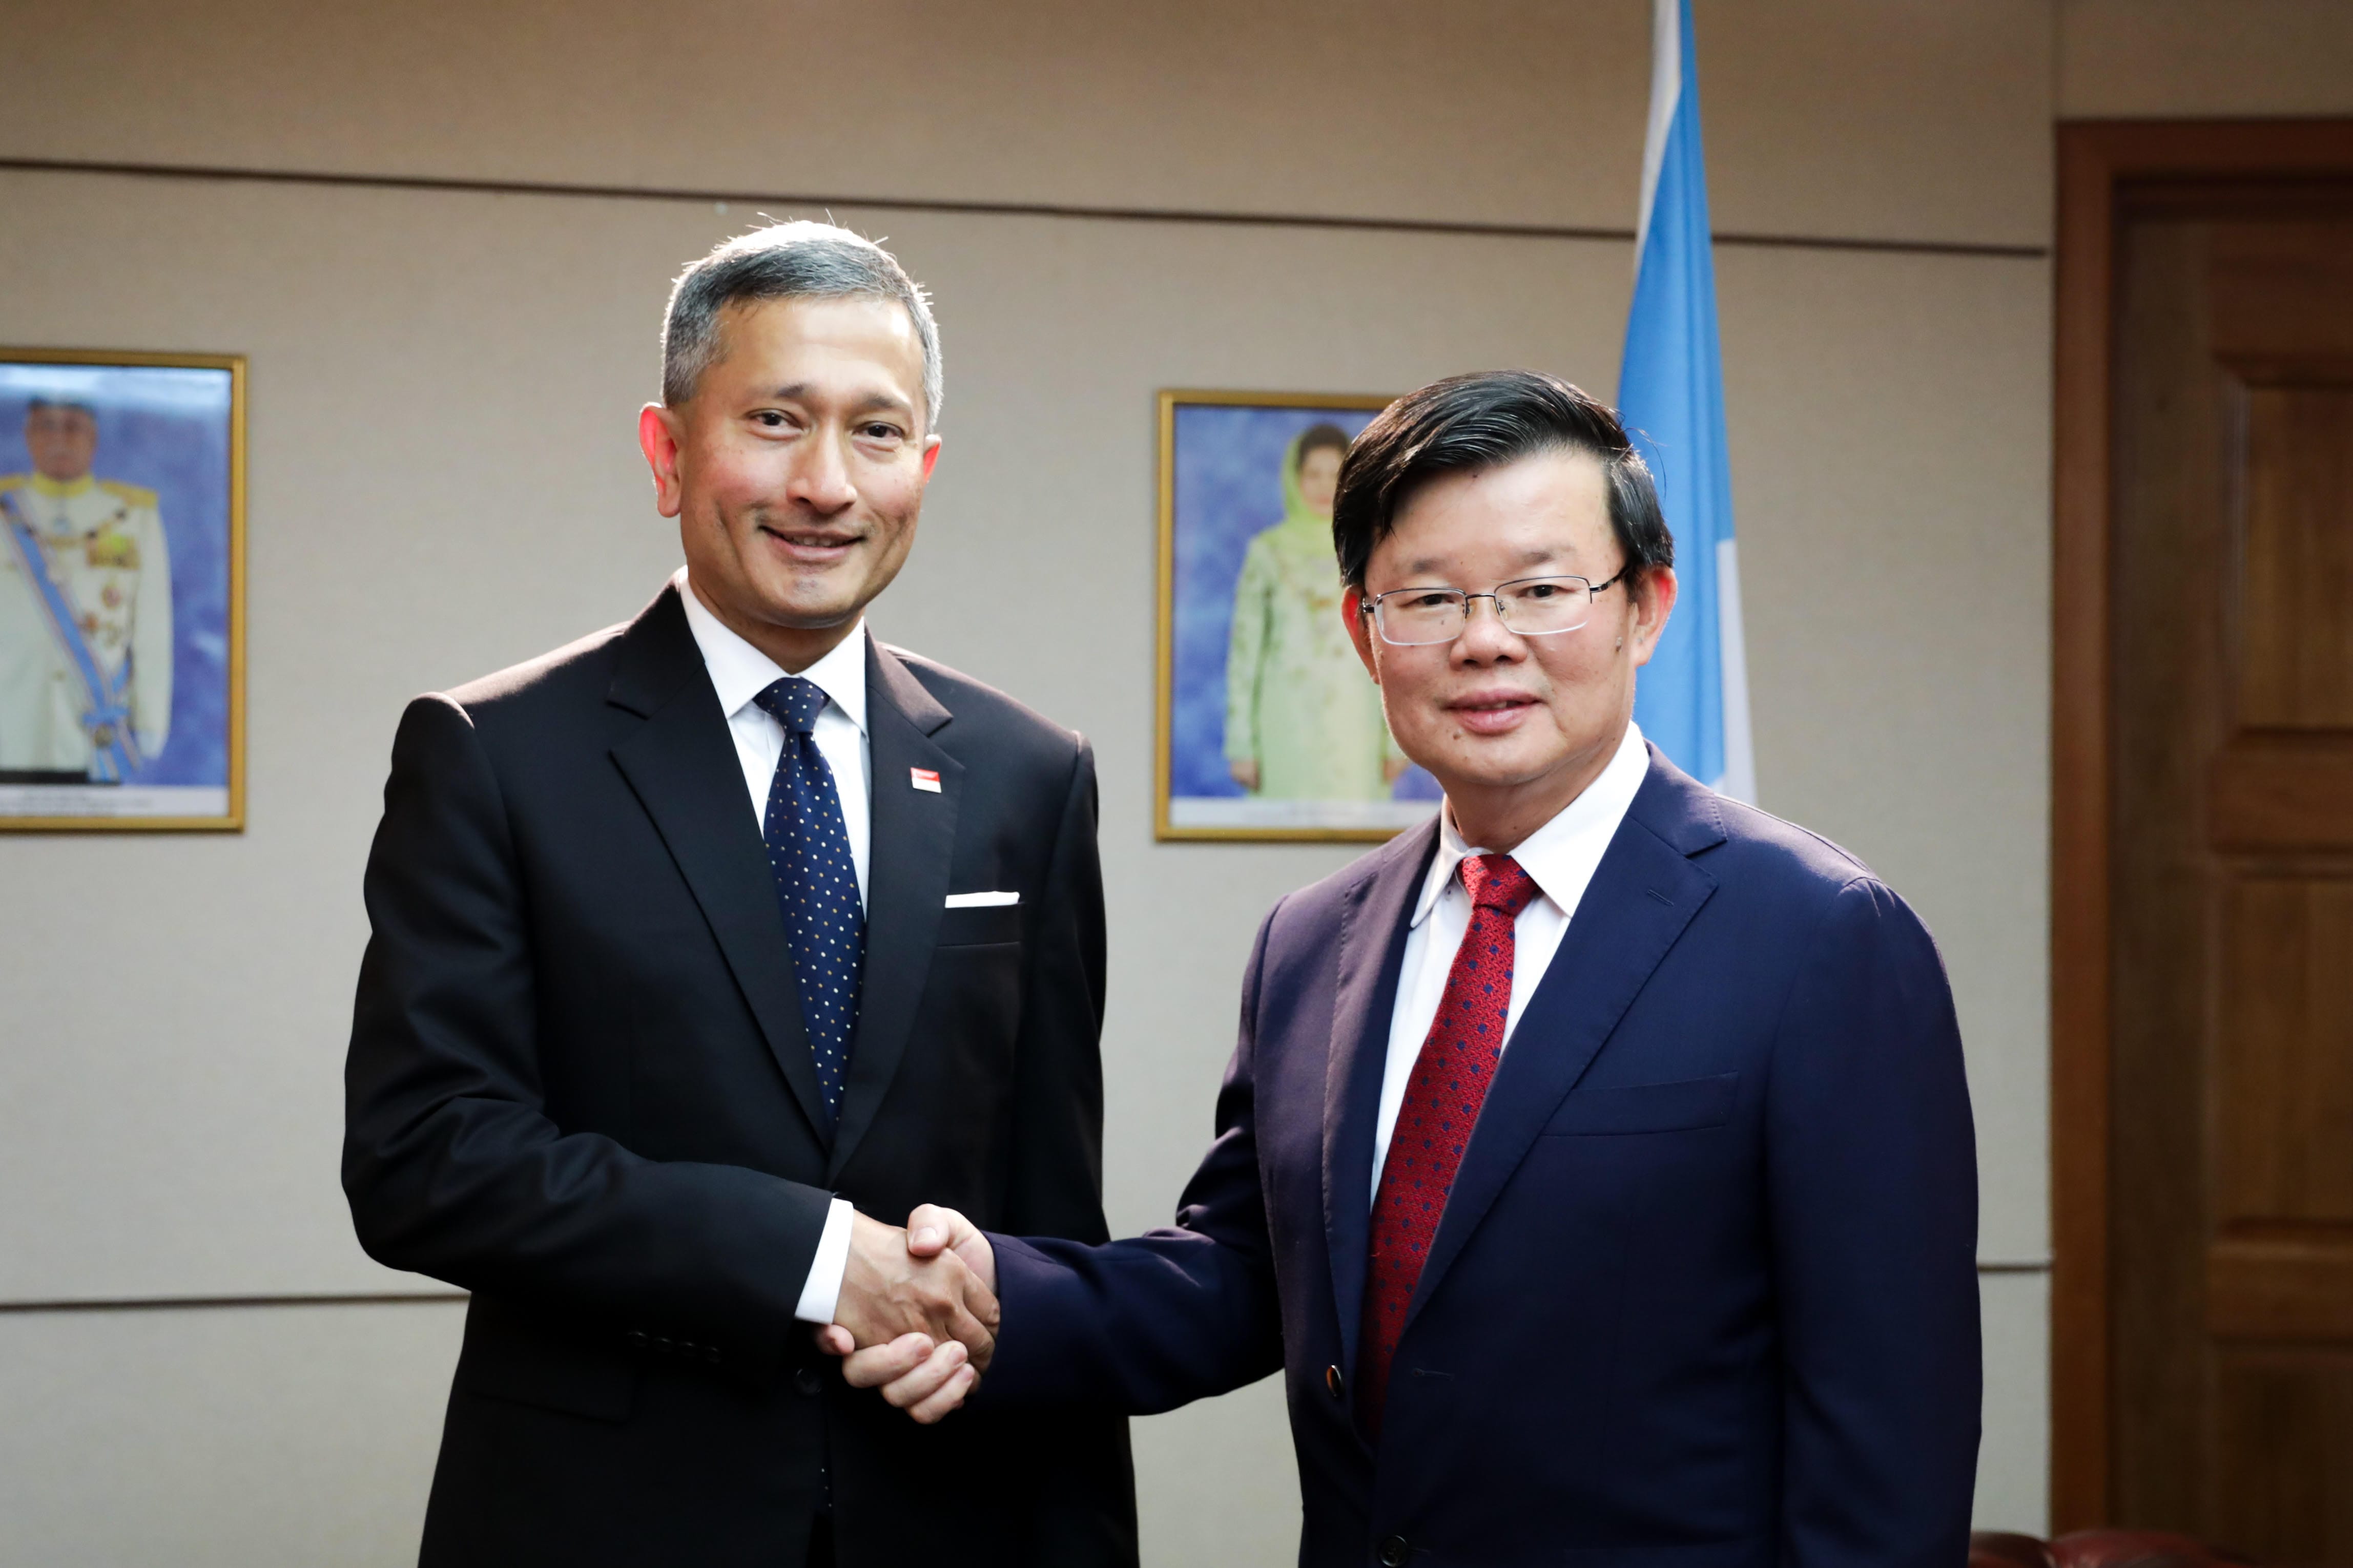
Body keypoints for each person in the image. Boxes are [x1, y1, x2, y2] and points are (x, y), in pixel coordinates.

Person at [843, 371, 1983, 1565]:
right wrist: (991, 1297)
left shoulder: (1821, 939)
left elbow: (1885, 1435)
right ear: (1361, 634)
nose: (1486, 641)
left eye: (1543, 590)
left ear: (1647, 606)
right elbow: (1245, 1275)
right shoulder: (1313, 940)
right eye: (1429, 598)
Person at [342, 222, 1135, 1568]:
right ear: (666, 452)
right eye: (776, 420)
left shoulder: (1027, 774)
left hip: (946, 1513)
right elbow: (430, 1158)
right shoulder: (496, 755)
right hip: (601, 1518)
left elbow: (1051, 1220)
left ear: (923, 468)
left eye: (877, 433)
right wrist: (818, 1254)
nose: (826, 483)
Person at [1224, 422, 1403, 801]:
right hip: (1283, 722)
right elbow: (1245, 653)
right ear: (1295, 478)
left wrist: (1395, 744)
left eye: (1335, 475)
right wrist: (1242, 745)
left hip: (1358, 722)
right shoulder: (1268, 551)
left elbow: (1396, 644)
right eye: (1313, 474)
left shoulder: (1374, 552)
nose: (1324, 486)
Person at [0, 396, 173, 782]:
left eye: (73, 427)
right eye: (46, 426)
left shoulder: (131, 515)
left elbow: (153, 628)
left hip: (93, 735)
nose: (60, 439)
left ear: (93, 439)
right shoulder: (6, 508)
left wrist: (150, 721)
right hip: (9, 727)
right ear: (28, 437)